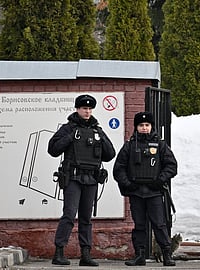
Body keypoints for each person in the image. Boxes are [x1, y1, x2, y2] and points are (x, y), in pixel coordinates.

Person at [48, 94, 116, 267]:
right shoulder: (68, 128)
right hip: (73, 178)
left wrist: (100, 137)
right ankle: (59, 252)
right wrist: (71, 137)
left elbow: (110, 155)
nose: (87, 111)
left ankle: (85, 255)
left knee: (86, 218)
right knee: (69, 215)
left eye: (90, 109)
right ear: (77, 109)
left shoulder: (97, 130)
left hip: (91, 178)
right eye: (84, 108)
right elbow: (53, 149)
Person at [113, 111, 178, 267]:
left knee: (159, 224)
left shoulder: (160, 145)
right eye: (141, 125)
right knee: (139, 226)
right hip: (136, 193)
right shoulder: (129, 145)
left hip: (154, 193)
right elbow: (118, 169)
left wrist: (160, 180)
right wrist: (128, 184)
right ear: (136, 127)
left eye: (147, 125)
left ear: (151, 126)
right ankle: (139, 256)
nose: (144, 128)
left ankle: (166, 255)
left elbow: (172, 166)